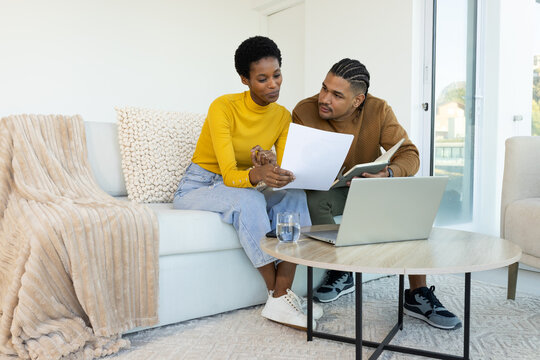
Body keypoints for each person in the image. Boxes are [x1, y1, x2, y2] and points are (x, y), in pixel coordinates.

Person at [292, 58, 461, 330]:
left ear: (358, 100)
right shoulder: (304, 111)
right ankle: (342, 271)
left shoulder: (379, 110)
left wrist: (387, 174)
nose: (324, 98)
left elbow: (410, 153)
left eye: (336, 95)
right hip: (328, 189)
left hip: (368, 185)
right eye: (324, 88)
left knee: (409, 200)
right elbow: (299, 159)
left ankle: (417, 294)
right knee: (313, 198)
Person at [173, 36, 322, 330]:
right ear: (245, 79)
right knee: (250, 200)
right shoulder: (223, 107)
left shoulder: (282, 115)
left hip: (243, 183)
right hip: (200, 185)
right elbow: (230, 174)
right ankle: (280, 297)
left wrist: (279, 172)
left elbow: (278, 165)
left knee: (295, 196)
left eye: (277, 75)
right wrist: (257, 175)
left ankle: (282, 295)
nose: (273, 85)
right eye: (262, 79)